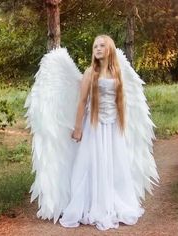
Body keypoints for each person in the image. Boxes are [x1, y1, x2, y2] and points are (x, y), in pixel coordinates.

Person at [24, 34, 159, 231]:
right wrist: (78, 128)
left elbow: (121, 102)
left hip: (113, 127)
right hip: (94, 127)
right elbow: (82, 102)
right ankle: (90, 204)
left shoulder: (117, 72)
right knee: (91, 164)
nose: (97, 48)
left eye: (102, 45)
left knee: (113, 163)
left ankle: (112, 203)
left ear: (109, 49)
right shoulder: (90, 73)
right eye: (95, 45)